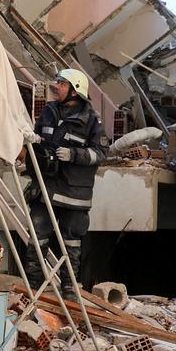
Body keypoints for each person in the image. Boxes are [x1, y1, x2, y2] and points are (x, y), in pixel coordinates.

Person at [23, 69, 107, 287]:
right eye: (57, 83)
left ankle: (69, 290)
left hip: (74, 193)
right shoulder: (49, 111)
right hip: (46, 188)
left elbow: (101, 153)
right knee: (37, 235)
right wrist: (33, 140)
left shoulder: (91, 120)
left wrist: (74, 155)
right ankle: (35, 288)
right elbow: (40, 144)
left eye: (61, 84)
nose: (56, 87)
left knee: (70, 242)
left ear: (74, 90)